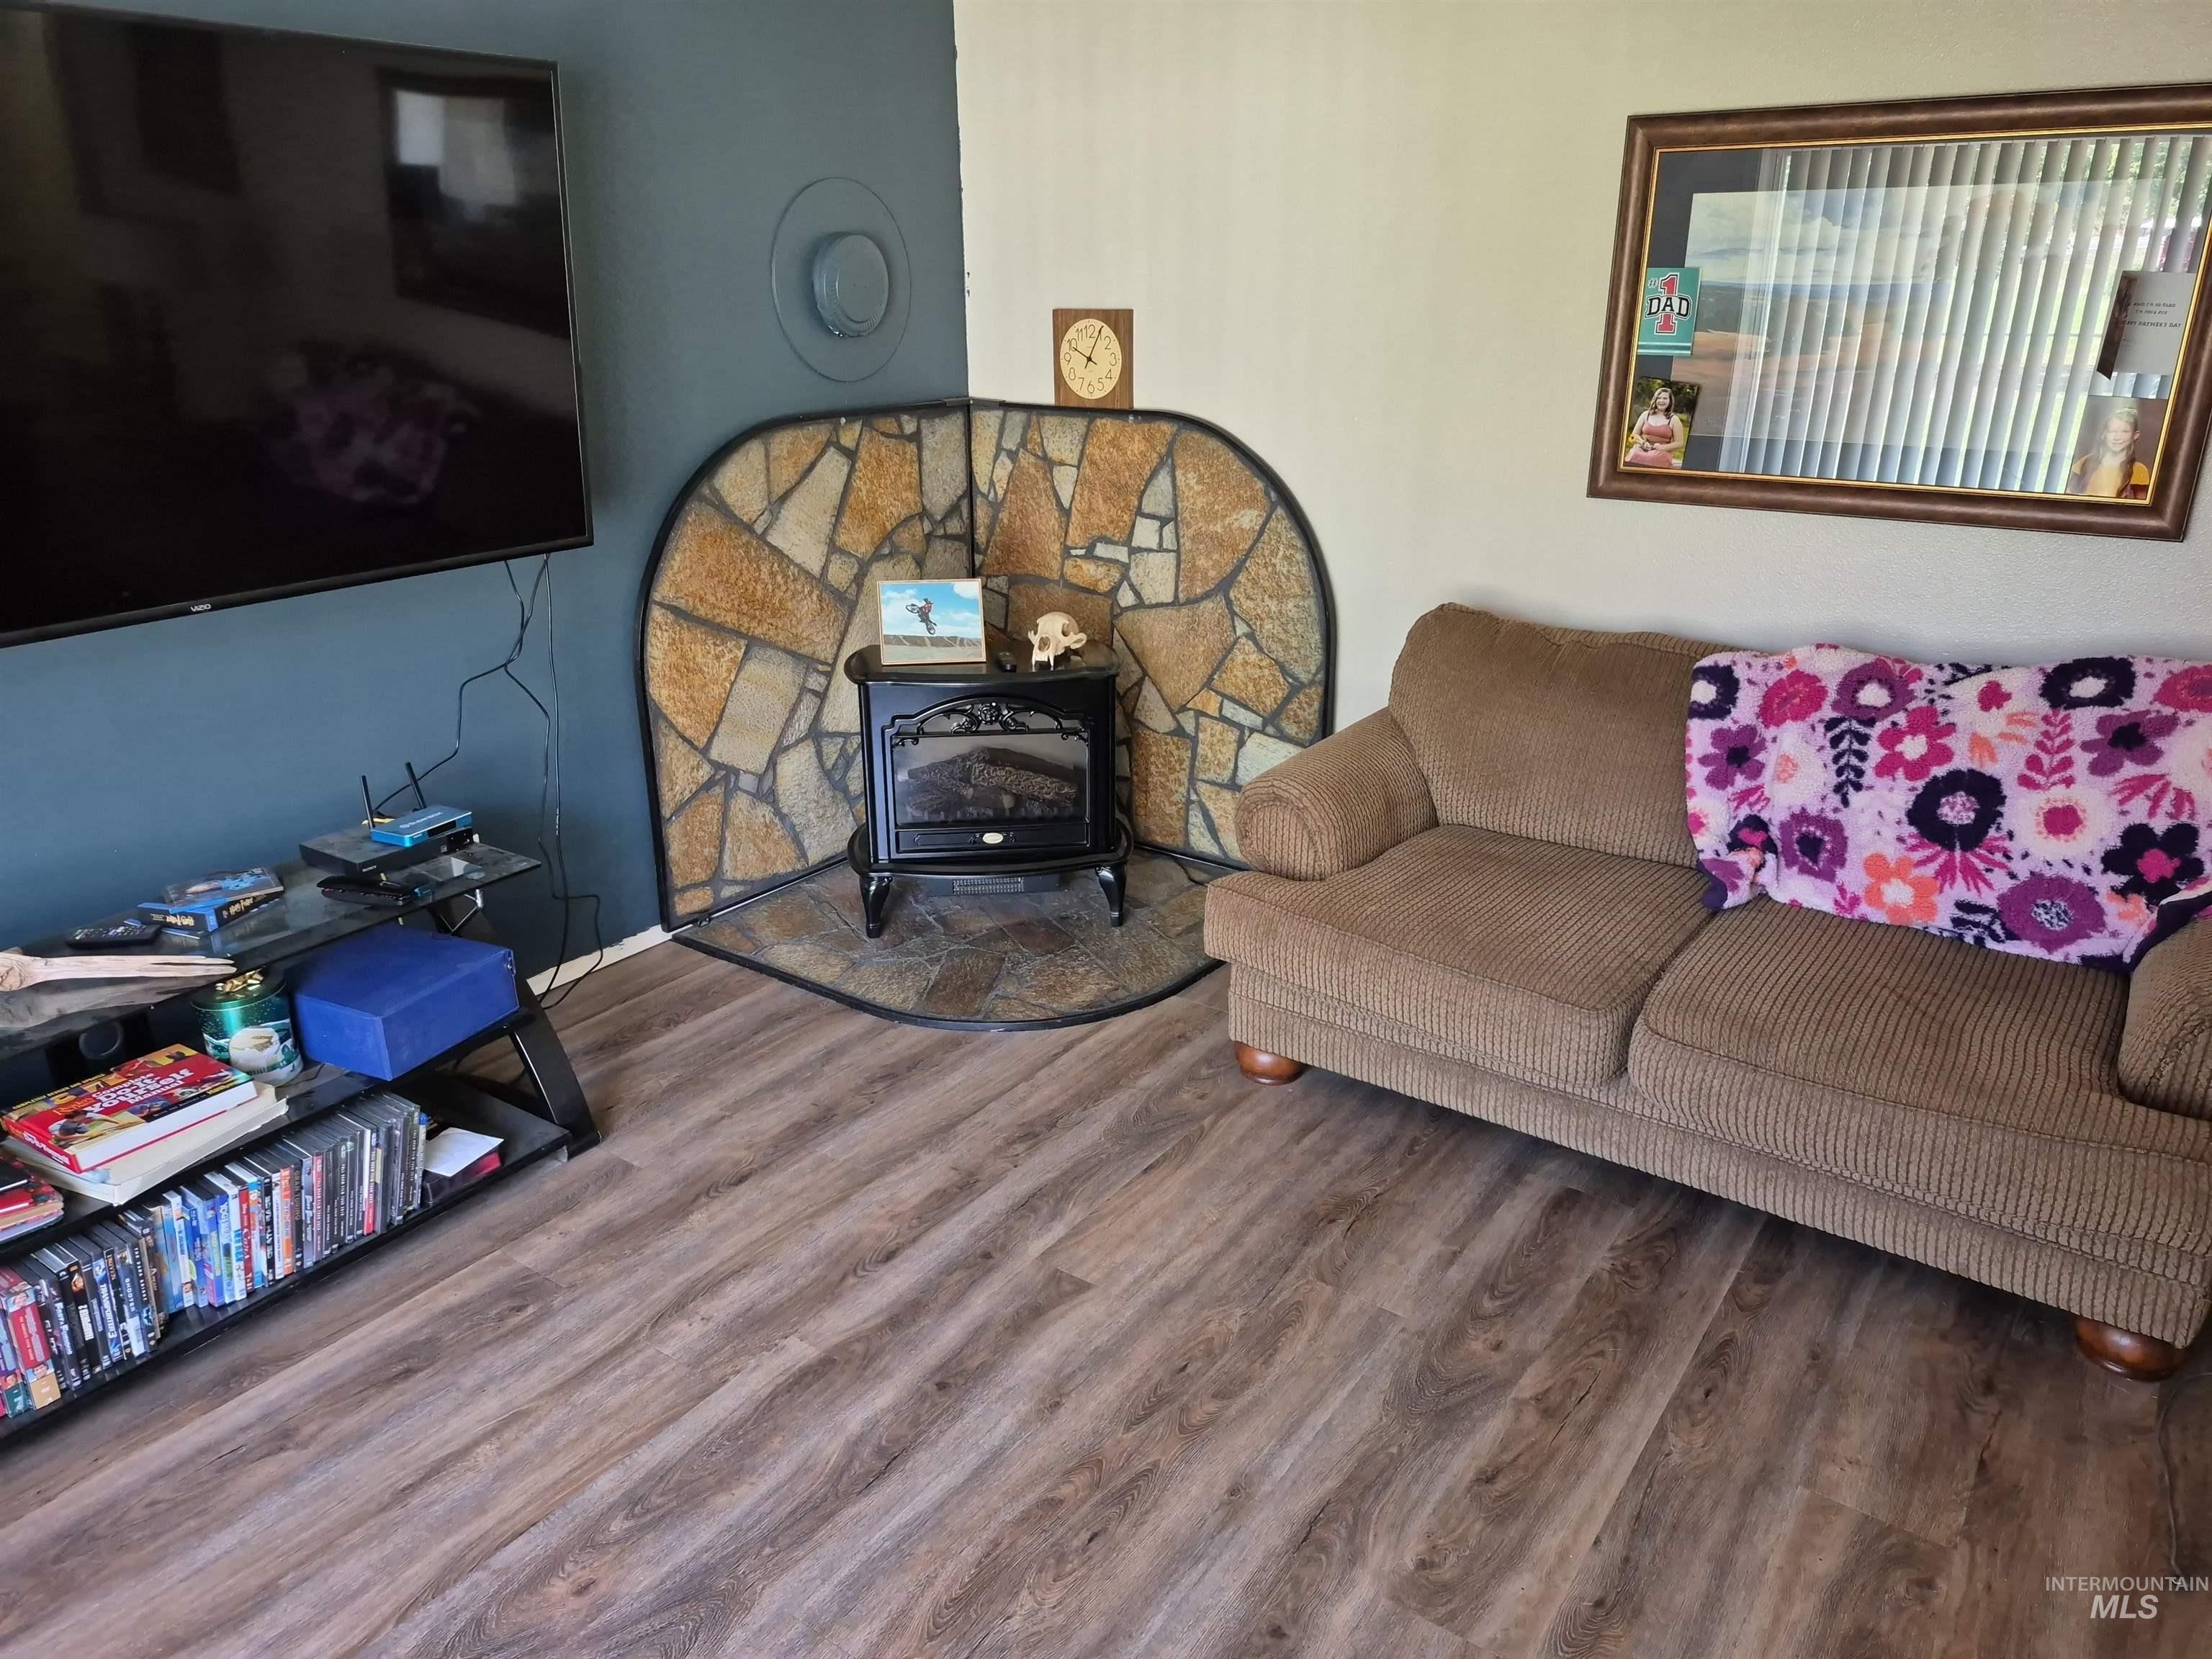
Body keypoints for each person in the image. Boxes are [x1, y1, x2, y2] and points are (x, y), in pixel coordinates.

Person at [2069, 401, 2152, 499]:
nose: (2117, 437)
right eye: (2112, 431)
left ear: (2135, 435)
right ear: (2104, 435)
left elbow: (2140, 509)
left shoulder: (2139, 470)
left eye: (2125, 432)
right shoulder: (2084, 463)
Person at [1623, 384, 1688, 469]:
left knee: (1653, 458)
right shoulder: (1646, 415)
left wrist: (1662, 447)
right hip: (1642, 448)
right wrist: (1642, 443)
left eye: (1665, 398)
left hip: (1661, 452)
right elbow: (1634, 435)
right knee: (1635, 454)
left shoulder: (1674, 420)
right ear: (1655, 400)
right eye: (1659, 398)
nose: (1661, 401)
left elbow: (1679, 443)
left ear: (1670, 401)